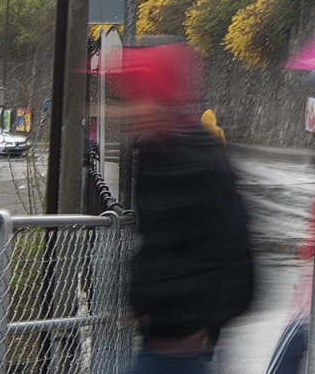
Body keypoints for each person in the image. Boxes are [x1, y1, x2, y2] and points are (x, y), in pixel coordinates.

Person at [108, 43, 255, 374]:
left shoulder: (196, 160)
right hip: (162, 339)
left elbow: (233, 249)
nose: (129, 109)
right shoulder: (154, 152)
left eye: (136, 97)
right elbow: (158, 243)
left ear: (159, 98)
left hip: (186, 346)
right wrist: (142, 302)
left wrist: (207, 329)